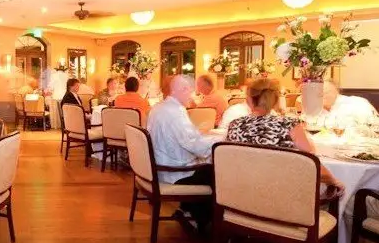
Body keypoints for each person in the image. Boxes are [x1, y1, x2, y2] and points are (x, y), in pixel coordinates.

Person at [227, 77, 344, 191]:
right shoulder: (289, 124)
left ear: (249, 100)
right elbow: (311, 163)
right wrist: (334, 181)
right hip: (280, 197)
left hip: (241, 193)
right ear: (276, 101)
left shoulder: (235, 125)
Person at [147, 76, 215, 231]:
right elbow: (195, 145)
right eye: (191, 92)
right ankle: (199, 221)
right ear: (183, 90)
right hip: (174, 172)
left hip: (160, 166)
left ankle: (186, 210)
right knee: (215, 172)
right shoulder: (176, 112)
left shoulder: (159, 107)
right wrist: (220, 141)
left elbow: (187, 139)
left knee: (207, 167)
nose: (193, 97)